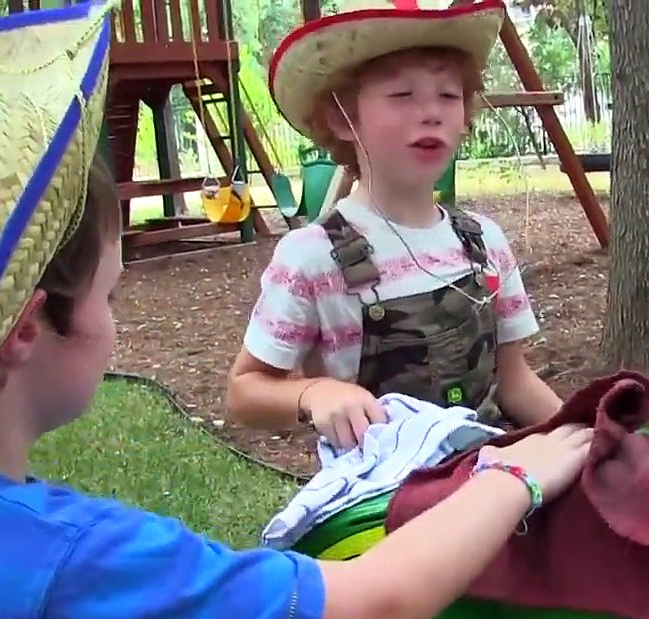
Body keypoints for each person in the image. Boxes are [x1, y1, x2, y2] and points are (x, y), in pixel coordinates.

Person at [0, 4, 591, 619]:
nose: (429, 111)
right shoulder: (81, 562)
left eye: (446, 95)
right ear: (29, 329)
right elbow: (379, 600)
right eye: (114, 298)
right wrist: (514, 476)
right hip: (388, 525)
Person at [225, 0, 565, 453]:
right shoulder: (310, 257)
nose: (431, 113)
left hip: (496, 482)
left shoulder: (484, 242)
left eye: (448, 95)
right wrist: (313, 392)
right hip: (384, 502)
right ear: (340, 118)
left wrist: (586, 437)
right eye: (402, 96)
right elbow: (244, 391)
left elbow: (515, 382)